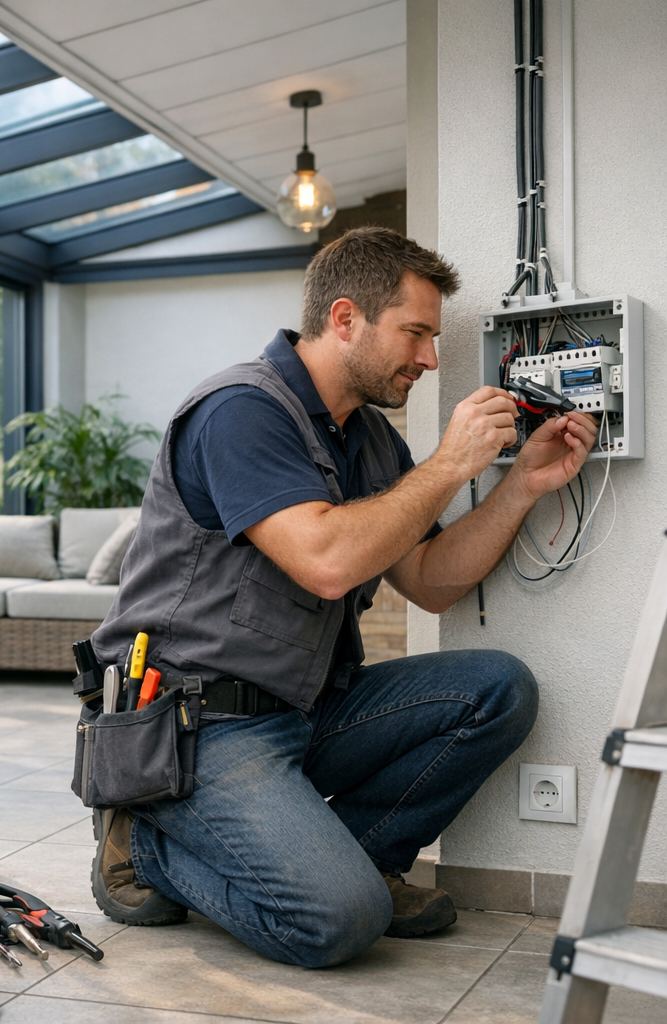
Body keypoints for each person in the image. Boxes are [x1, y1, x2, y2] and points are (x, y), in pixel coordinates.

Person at [88, 227, 598, 967]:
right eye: (416, 333)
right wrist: (452, 463)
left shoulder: (371, 443)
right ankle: (145, 840)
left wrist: (520, 487)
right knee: (339, 925)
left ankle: (363, 861)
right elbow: (325, 562)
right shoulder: (241, 410)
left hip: (306, 711)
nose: (428, 358)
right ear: (346, 319)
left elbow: (428, 582)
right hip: (193, 728)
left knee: (495, 688)